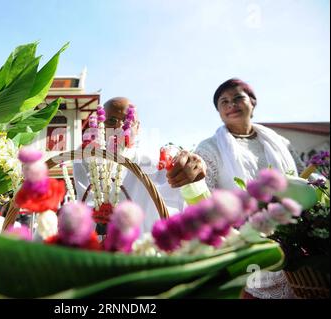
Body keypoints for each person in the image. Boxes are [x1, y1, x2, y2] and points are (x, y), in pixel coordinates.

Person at [167, 78, 305, 298]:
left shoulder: (279, 141)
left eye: (238, 97)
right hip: (249, 249)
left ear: (252, 102)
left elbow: (303, 175)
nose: (231, 104)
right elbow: (201, 182)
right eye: (224, 102)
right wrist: (194, 173)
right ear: (219, 112)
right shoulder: (210, 147)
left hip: (301, 244)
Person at [73, 97, 205, 233]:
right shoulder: (87, 157)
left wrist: (192, 169)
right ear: (101, 125)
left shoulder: (153, 158)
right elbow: (86, 207)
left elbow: (182, 176)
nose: (119, 128)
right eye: (111, 121)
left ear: (138, 127)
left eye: (128, 122)